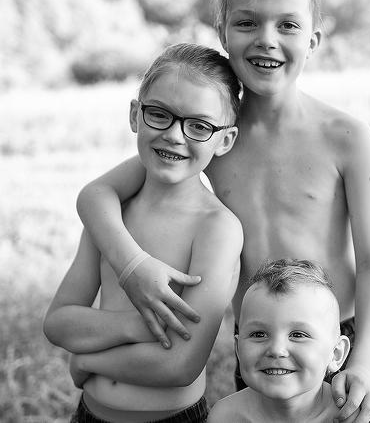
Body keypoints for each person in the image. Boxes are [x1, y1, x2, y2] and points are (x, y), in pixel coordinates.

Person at [76, 0, 370, 422]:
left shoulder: (346, 138)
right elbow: (96, 196)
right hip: (262, 343)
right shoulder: (209, 135)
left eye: (287, 25)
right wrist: (132, 266)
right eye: (247, 23)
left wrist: (364, 364)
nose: (267, 39)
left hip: (339, 340)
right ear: (223, 32)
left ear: (313, 40)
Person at [43, 43, 243, 423]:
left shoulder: (216, 228)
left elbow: (180, 365)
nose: (175, 135)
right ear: (136, 114)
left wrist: (88, 359)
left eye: (199, 126)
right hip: (89, 414)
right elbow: (58, 323)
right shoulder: (112, 218)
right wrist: (137, 326)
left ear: (225, 140)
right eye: (160, 115)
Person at [207, 259, 352, 423]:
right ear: (238, 349)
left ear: (336, 353)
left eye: (298, 335)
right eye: (259, 334)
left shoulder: (351, 417)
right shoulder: (226, 417)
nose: (276, 349)